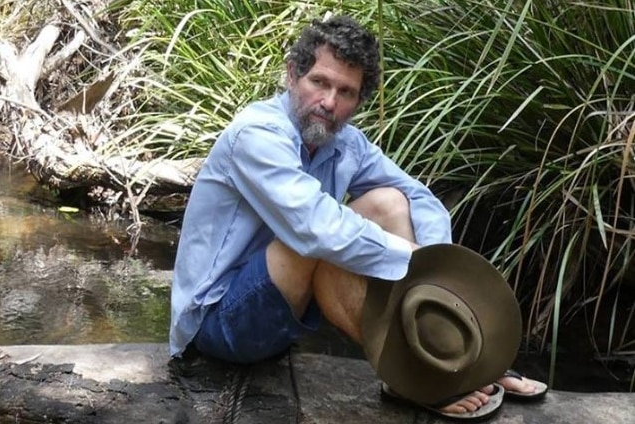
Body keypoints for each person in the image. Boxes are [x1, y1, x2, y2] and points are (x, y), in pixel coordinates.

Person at [170, 14, 546, 419]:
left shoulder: (346, 143)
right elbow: (315, 229)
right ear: (293, 74)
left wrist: (437, 274)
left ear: (359, 100)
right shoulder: (257, 134)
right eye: (320, 82)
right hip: (216, 324)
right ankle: (416, 376)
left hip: (281, 309)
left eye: (345, 92)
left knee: (389, 201)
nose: (329, 103)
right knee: (318, 245)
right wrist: (411, 257)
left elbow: (417, 196)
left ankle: (448, 354)